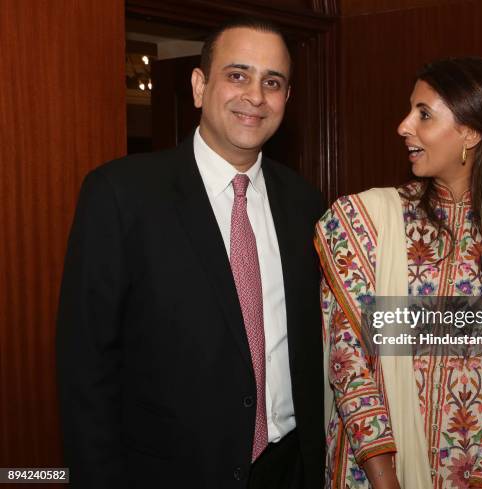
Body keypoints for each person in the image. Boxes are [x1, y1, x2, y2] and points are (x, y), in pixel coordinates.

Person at [56, 18, 324, 489]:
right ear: (200, 86)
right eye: (237, 75)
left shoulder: (305, 204)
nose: (256, 96)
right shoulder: (121, 194)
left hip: (288, 470)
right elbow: (86, 367)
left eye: (273, 82)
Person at [315, 57, 482, 488]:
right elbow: (347, 356)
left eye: (423, 114)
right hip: (374, 470)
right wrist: (385, 476)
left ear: (471, 130)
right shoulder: (368, 221)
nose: (404, 126)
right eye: (411, 110)